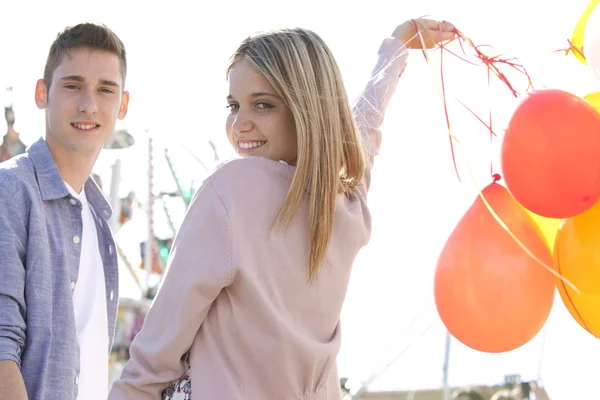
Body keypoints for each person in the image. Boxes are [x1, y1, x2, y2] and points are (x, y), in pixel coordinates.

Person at [108, 18, 455, 399]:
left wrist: (398, 46)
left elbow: (155, 355)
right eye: (233, 105)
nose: (240, 124)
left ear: (306, 109)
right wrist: (396, 48)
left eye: (263, 104)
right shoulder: (346, 199)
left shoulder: (230, 192)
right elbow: (365, 126)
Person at [0, 23, 130, 400]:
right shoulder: (11, 190)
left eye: (105, 90)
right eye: (72, 85)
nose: (89, 104)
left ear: (122, 105)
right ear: (43, 94)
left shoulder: (99, 217)